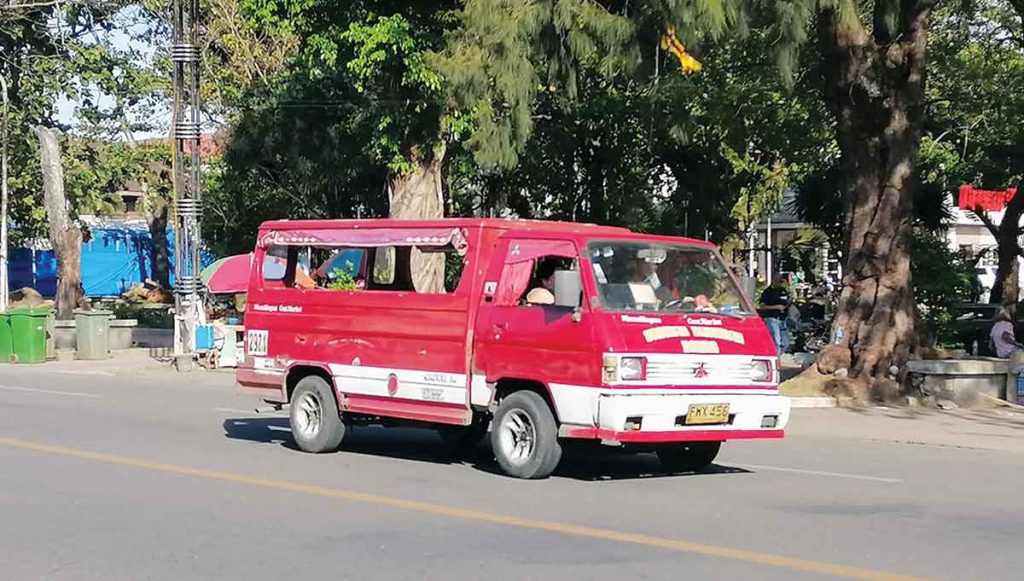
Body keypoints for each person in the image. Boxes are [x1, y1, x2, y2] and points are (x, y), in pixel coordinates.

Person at [760, 276, 792, 355]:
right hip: (772, 318)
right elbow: (762, 306)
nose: (781, 284)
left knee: (785, 343)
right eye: (779, 282)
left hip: (782, 319)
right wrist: (776, 307)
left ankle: (778, 355)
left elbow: (787, 301)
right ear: (774, 281)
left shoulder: (783, 291)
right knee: (776, 341)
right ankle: (776, 359)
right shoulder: (767, 292)